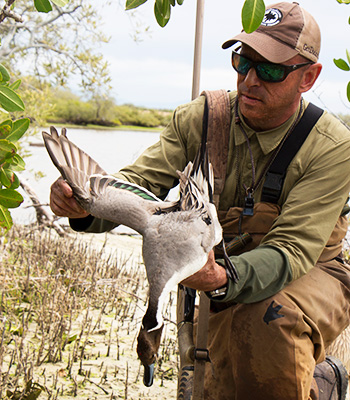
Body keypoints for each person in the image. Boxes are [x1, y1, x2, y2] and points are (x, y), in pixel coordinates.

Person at [49, 2, 350, 399]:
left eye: (272, 70)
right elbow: (136, 184)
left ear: (308, 78)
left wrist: (220, 278)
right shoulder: (203, 119)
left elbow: (291, 251)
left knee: (268, 320)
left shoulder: (332, 147)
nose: (250, 80)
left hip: (311, 270)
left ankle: (321, 385)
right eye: (243, 62)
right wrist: (82, 206)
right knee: (216, 386)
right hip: (218, 257)